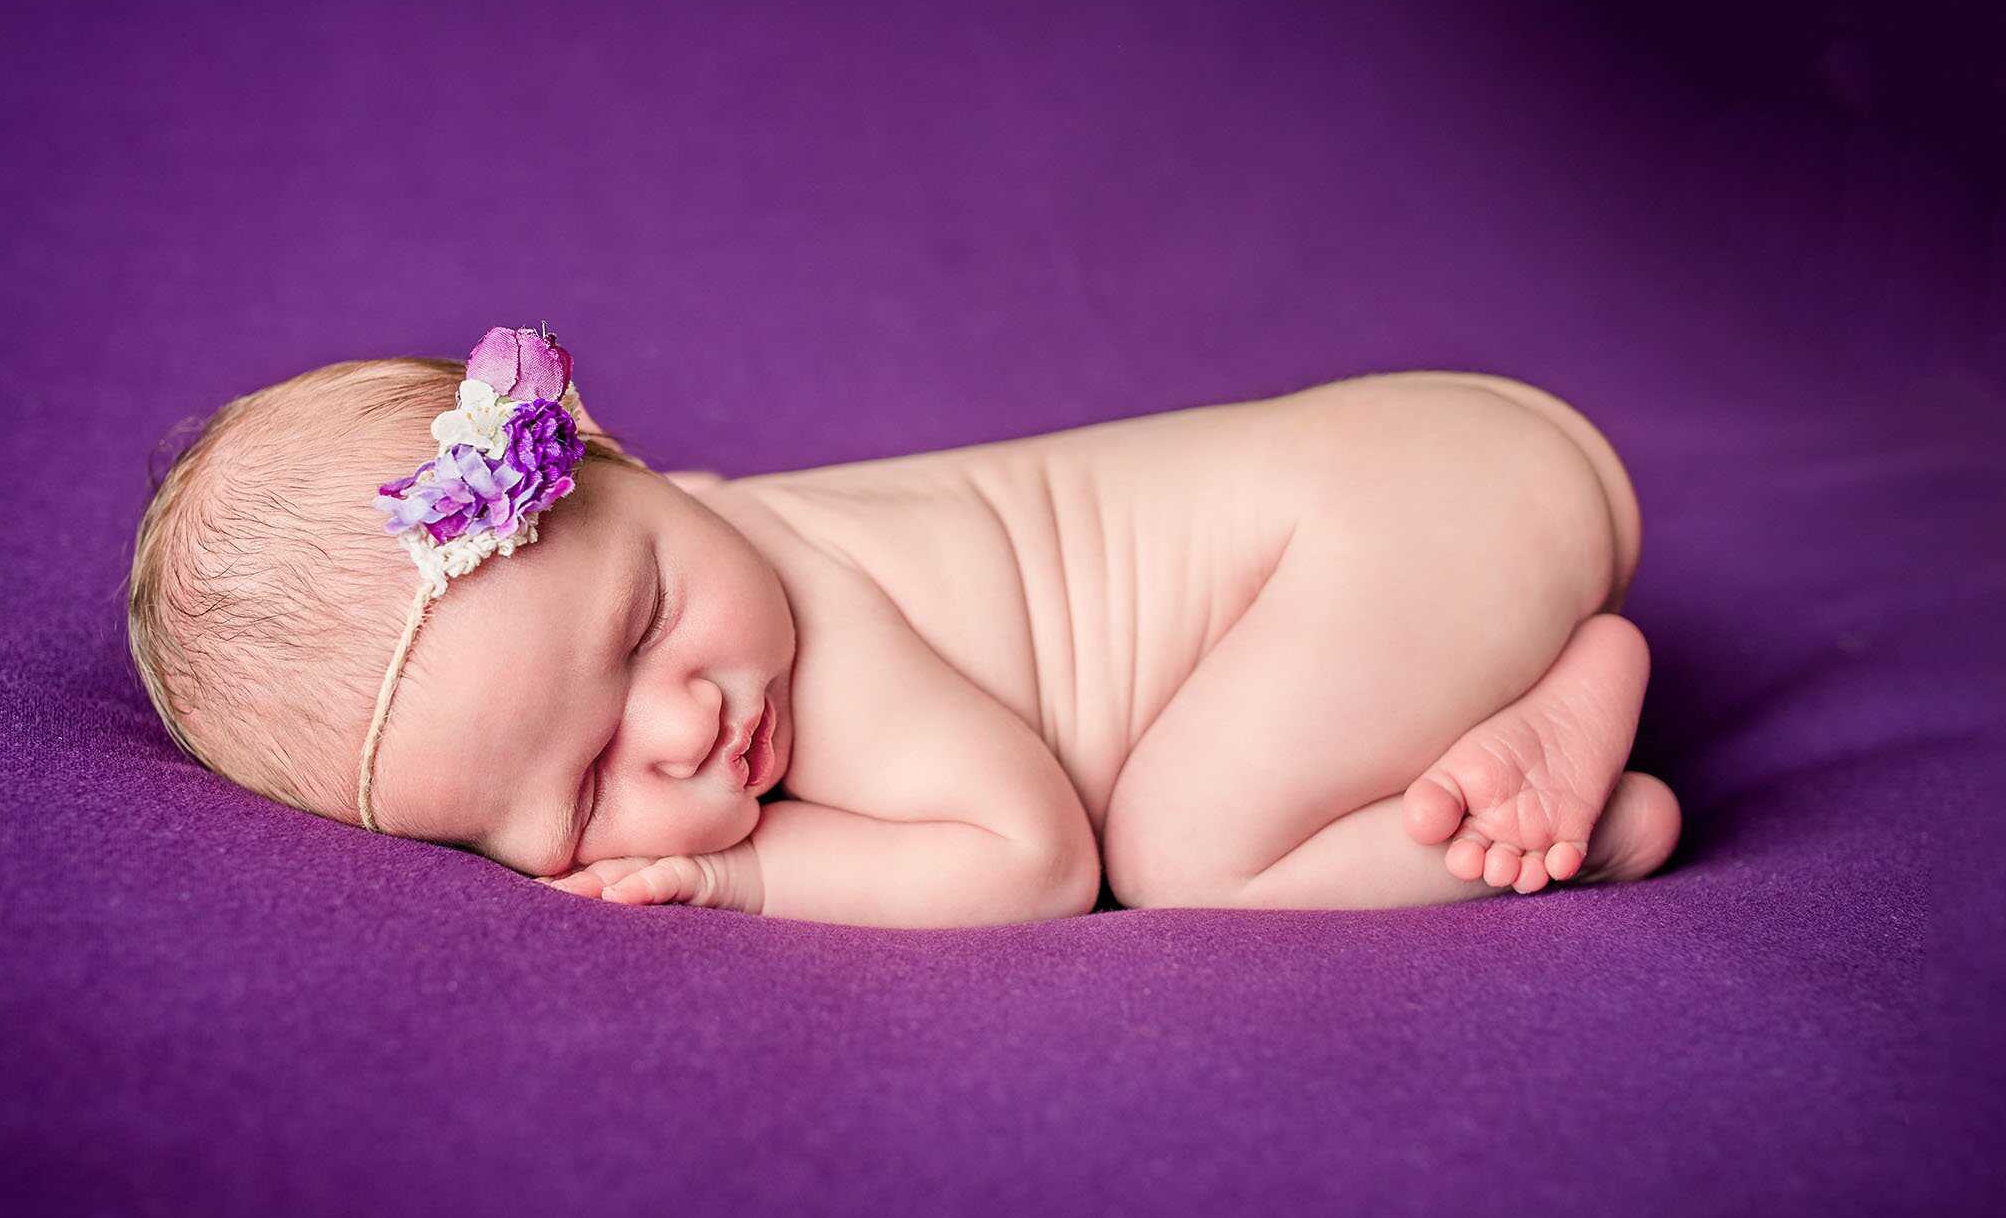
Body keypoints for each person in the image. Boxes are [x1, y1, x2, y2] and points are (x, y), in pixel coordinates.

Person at [125, 325, 1680, 928]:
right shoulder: (705, 535)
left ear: (623, 461)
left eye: (648, 622)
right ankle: (1528, 684)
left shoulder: (817, 629)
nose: (685, 723)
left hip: (1413, 517)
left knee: (1184, 853)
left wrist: (739, 872)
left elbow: (1034, 860)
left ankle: (1578, 810)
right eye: (588, 785)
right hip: (1443, 473)